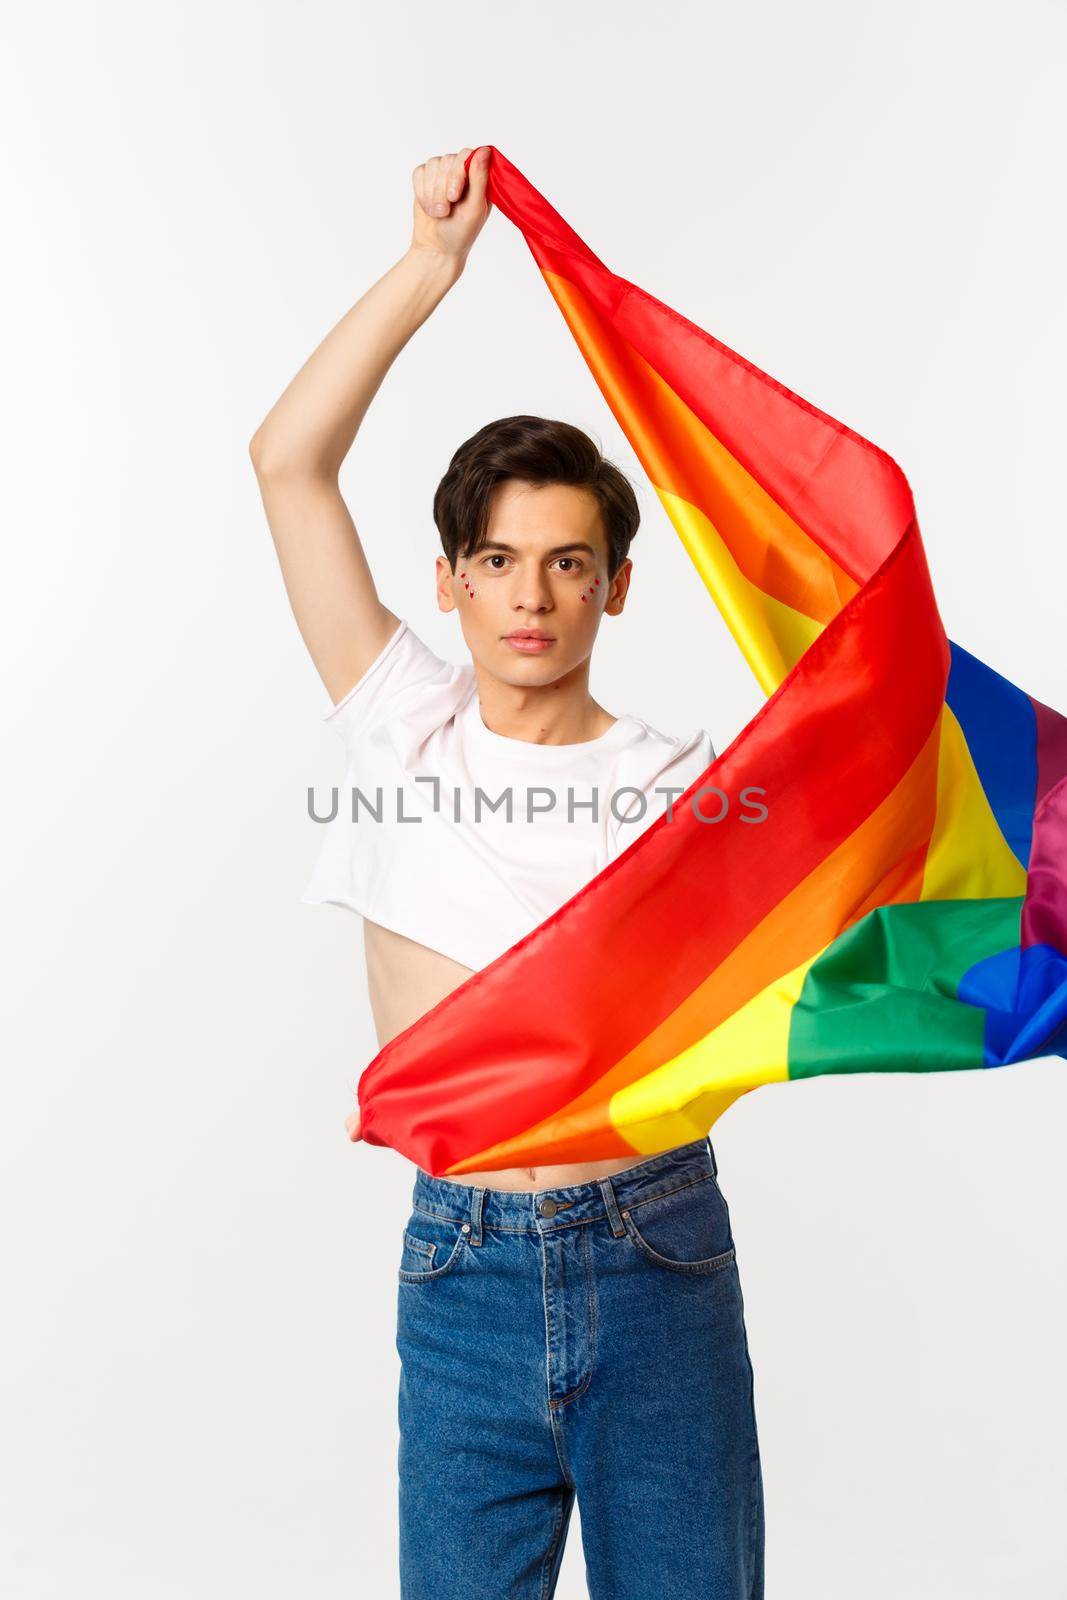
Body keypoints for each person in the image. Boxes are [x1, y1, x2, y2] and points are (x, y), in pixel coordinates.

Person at [250, 146, 765, 1599]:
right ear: (450, 582)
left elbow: (772, 988)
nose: (530, 597)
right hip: (459, 1267)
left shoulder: (688, 792)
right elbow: (286, 463)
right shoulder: (399, 724)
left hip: (656, 1250)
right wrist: (428, 269)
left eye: (566, 562)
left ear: (617, 582)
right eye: (496, 559)